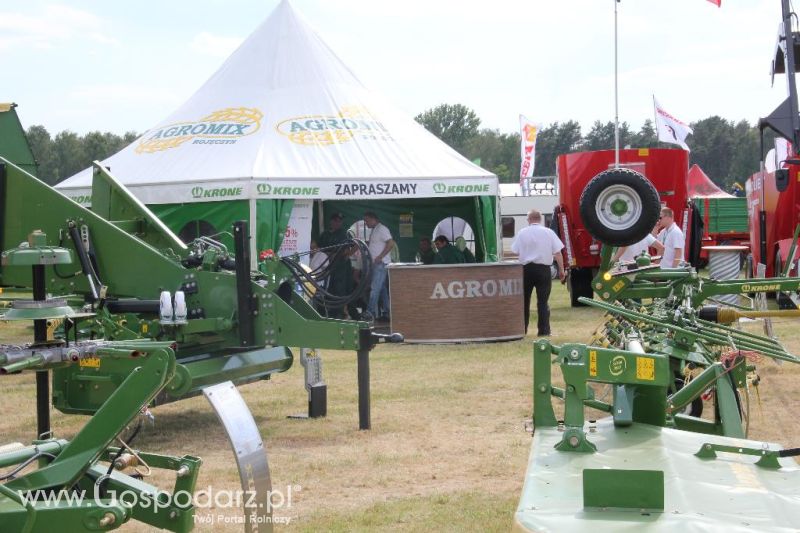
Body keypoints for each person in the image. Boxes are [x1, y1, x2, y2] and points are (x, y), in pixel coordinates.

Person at [511, 209, 566, 336]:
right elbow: (558, 253)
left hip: (526, 270)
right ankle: (544, 330)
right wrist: (562, 270)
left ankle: (522, 329)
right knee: (543, 301)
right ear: (540, 219)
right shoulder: (549, 232)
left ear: (529, 219)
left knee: (524, 300)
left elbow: (515, 251)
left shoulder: (522, 232)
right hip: (543, 270)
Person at [317, 212, 351, 317]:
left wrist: (344, 255)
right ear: (331, 221)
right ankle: (326, 313)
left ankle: (339, 314)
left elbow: (353, 246)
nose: (338, 223)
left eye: (340, 221)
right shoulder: (325, 234)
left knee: (339, 291)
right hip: (326, 267)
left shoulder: (344, 233)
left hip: (340, 267)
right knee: (326, 290)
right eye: (336, 220)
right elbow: (318, 248)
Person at [364, 211, 394, 322]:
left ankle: (369, 312)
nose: (366, 223)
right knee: (381, 289)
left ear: (373, 219)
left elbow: (391, 243)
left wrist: (380, 256)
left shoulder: (382, 229)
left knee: (375, 288)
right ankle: (387, 312)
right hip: (376, 264)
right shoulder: (375, 230)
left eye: (367, 220)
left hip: (380, 264)